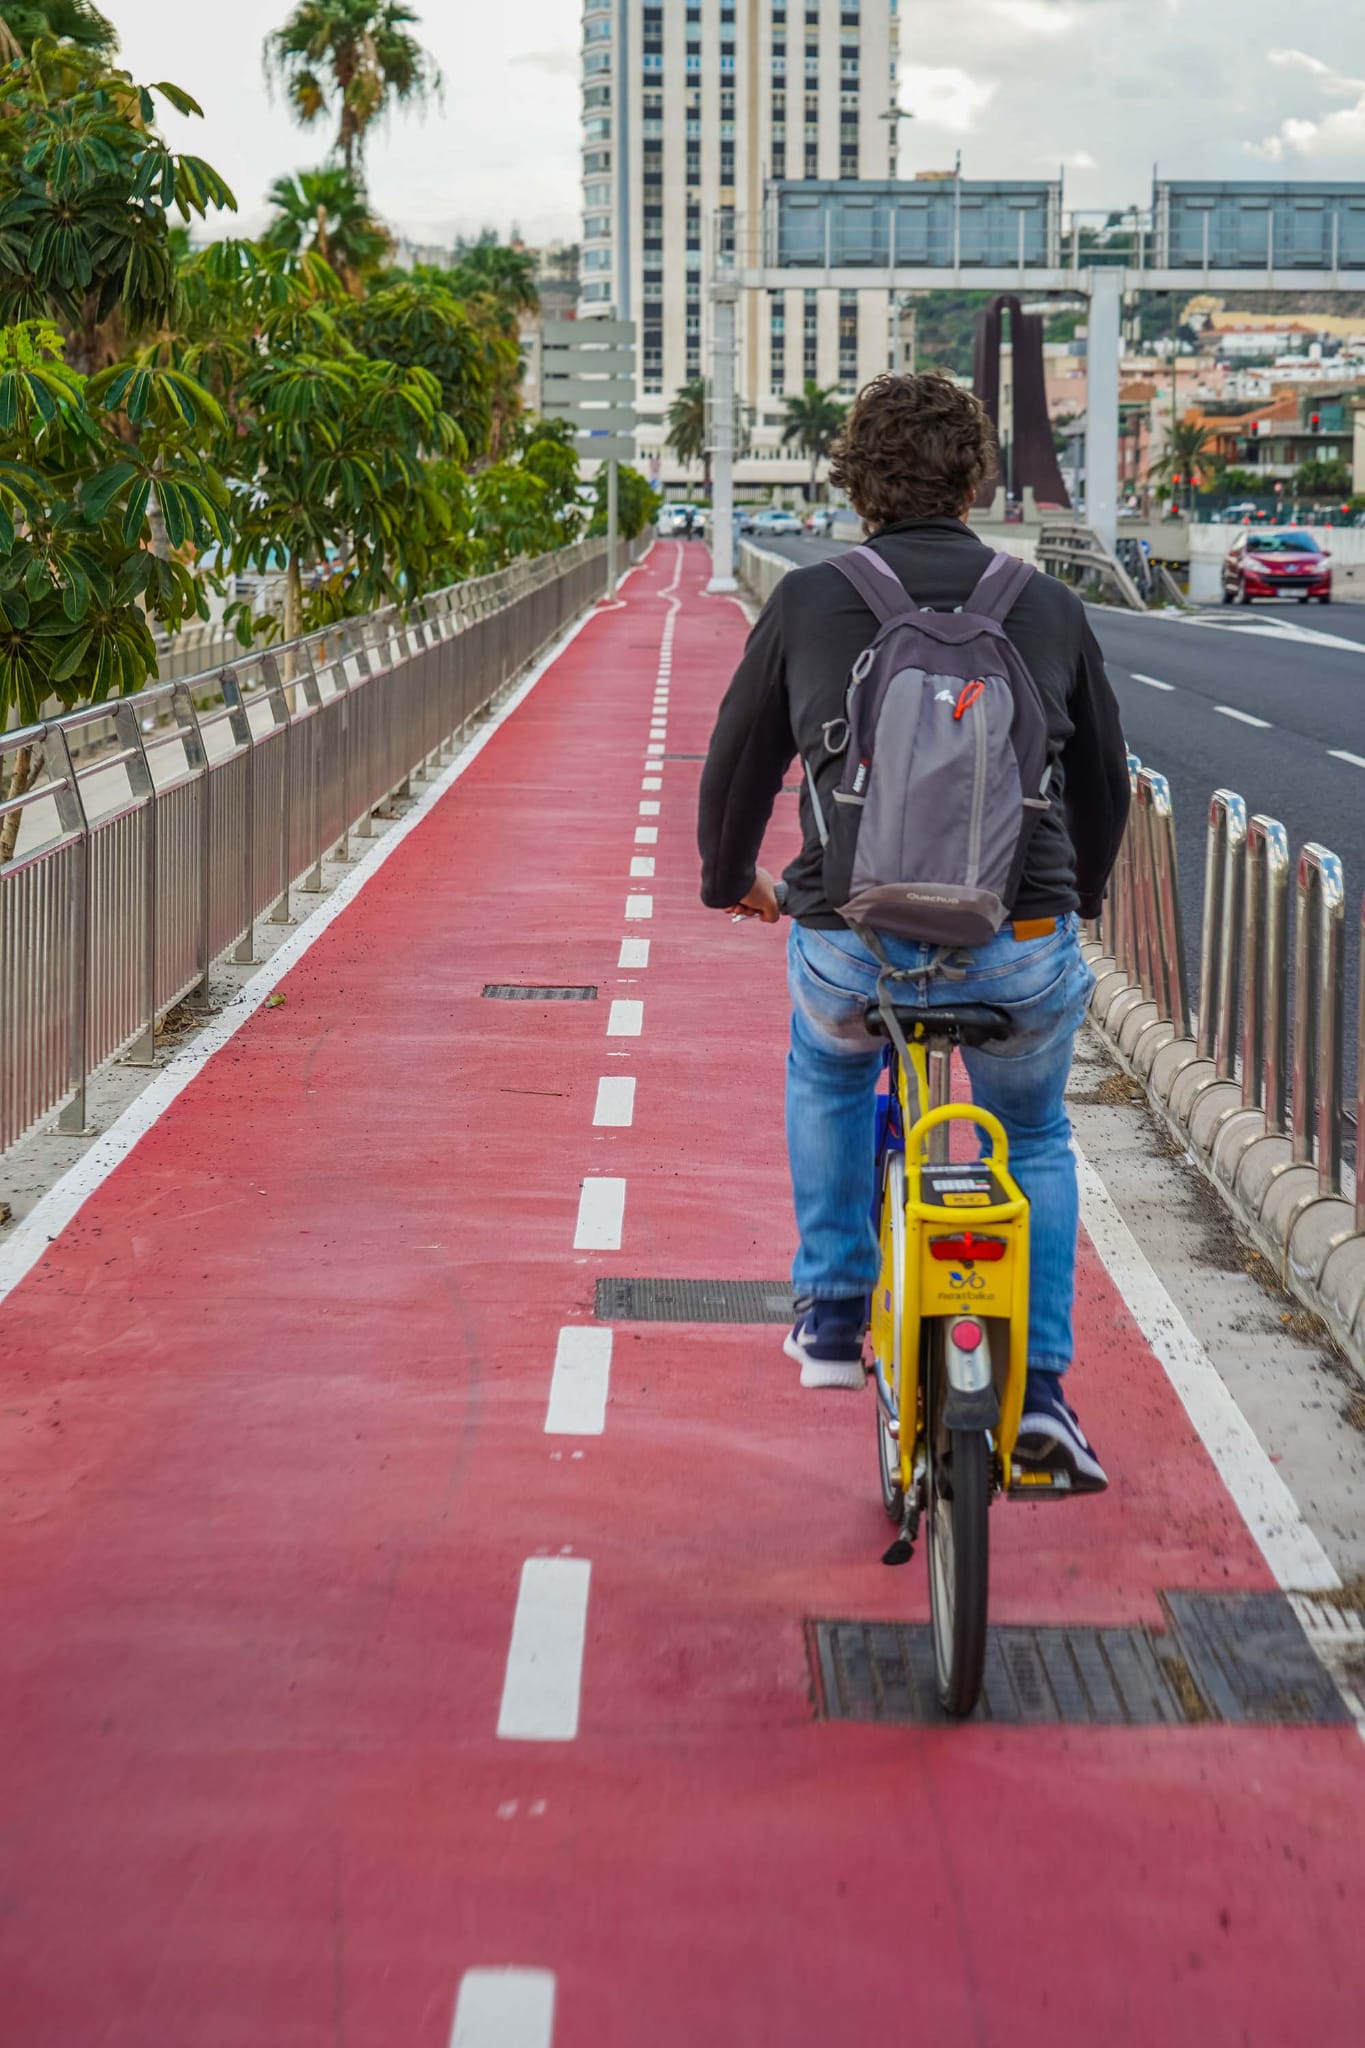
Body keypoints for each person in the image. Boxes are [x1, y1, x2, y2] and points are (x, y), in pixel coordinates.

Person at [697, 373, 1130, 1492]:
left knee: (830, 1068)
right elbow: (1104, 790)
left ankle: (834, 1310)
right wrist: (1068, 908)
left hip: (854, 934)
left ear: (853, 481)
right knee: (1031, 1140)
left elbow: (739, 766)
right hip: (1019, 940)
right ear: (976, 479)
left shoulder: (806, 600)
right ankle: (1042, 1396)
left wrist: (731, 881)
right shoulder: (1046, 604)